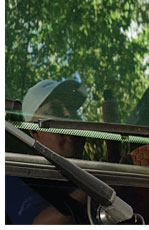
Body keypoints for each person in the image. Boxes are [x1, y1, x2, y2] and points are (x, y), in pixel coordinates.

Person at [7, 79, 89, 223]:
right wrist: (108, 187)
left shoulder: (97, 166)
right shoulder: (17, 177)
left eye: (71, 107)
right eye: (55, 110)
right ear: (34, 132)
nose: (68, 114)